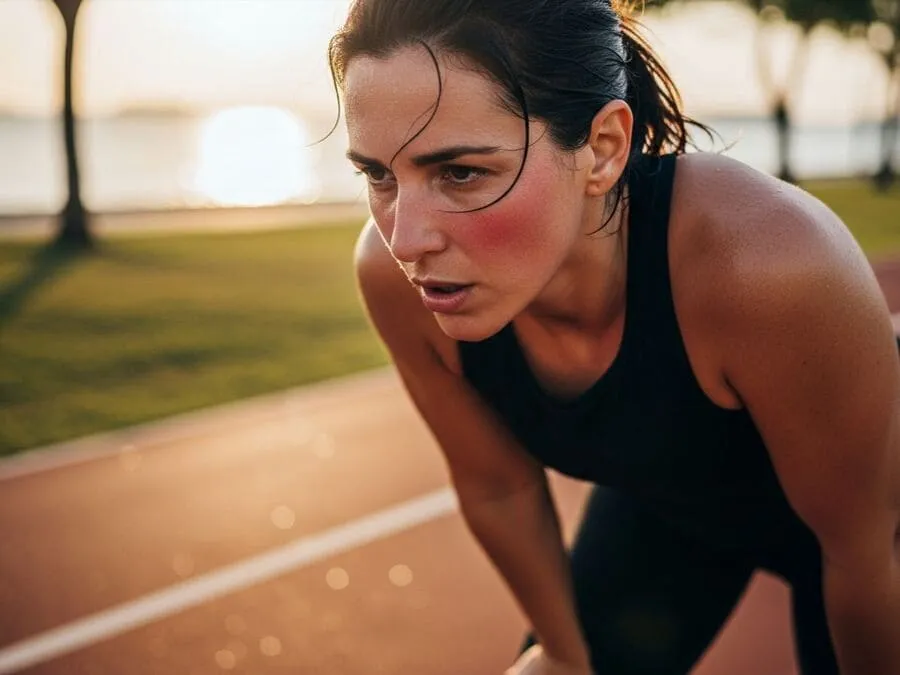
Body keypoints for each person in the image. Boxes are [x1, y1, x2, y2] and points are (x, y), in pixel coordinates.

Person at [327, 0, 900, 673]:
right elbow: (498, 488)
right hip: (675, 506)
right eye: (379, 175)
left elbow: (869, 550)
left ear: (603, 149)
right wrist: (569, 658)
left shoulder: (765, 265)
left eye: (460, 172)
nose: (406, 238)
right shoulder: (399, 281)